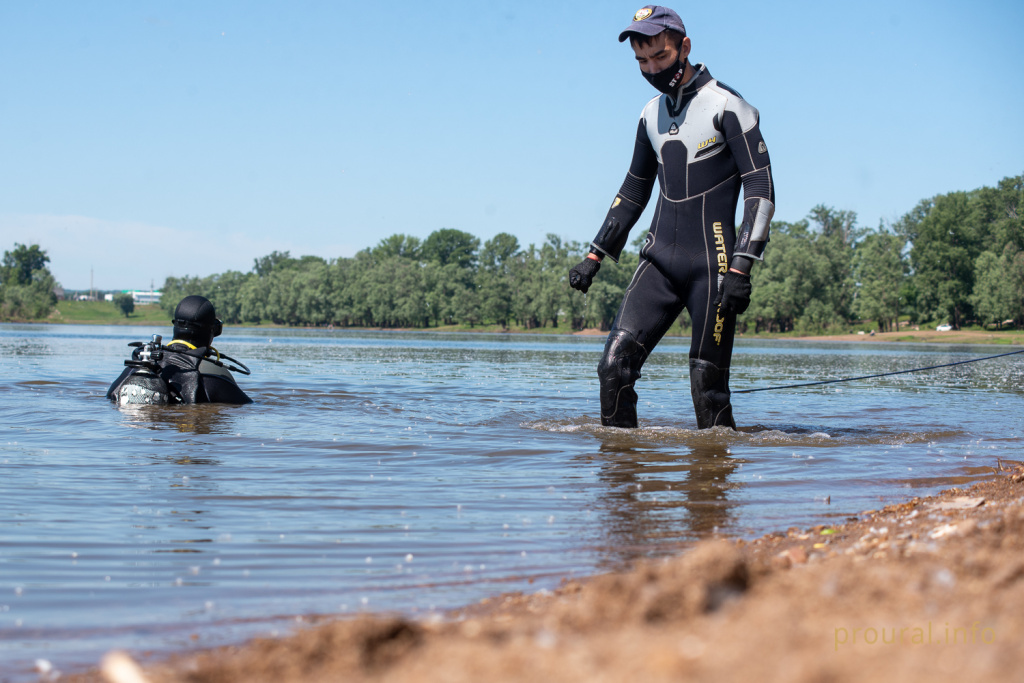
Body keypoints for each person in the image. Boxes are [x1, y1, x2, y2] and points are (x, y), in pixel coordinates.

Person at [568, 5, 775, 430]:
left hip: (715, 268)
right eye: (641, 62)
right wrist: (595, 254)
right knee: (613, 367)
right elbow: (633, 189)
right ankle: (621, 483)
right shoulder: (649, 114)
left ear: (684, 47)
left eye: (659, 57)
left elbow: (761, 189)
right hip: (659, 260)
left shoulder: (729, 106)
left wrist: (742, 264)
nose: (651, 69)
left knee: (707, 385)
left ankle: (714, 493)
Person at [107, 295, 253, 405]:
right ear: (213, 330)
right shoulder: (211, 372)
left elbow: (110, 398)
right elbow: (247, 406)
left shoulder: (142, 363)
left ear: (174, 326)